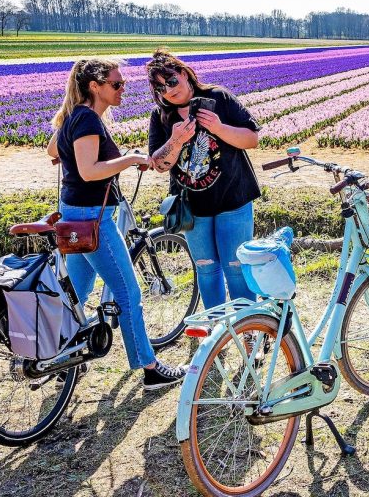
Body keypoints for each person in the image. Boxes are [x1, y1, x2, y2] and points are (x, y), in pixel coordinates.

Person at [47, 58, 185, 390]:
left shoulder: (74, 115)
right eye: (116, 84)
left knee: (77, 293)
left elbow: (52, 149)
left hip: (73, 214)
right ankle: (149, 368)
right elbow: (89, 171)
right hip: (93, 219)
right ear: (95, 86)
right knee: (127, 292)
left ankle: (63, 359)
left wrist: (76, 153)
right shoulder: (86, 119)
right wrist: (132, 159)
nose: (123, 88)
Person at [146, 49, 261, 310]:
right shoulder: (161, 116)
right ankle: (216, 327)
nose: (168, 91)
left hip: (233, 200)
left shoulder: (218, 97)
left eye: (171, 81)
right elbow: (159, 165)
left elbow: (252, 139)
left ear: (185, 74)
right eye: (160, 88)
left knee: (236, 268)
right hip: (193, 209)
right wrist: (176, 141)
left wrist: (219, 128)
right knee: (206, 270)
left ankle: (247, 327)